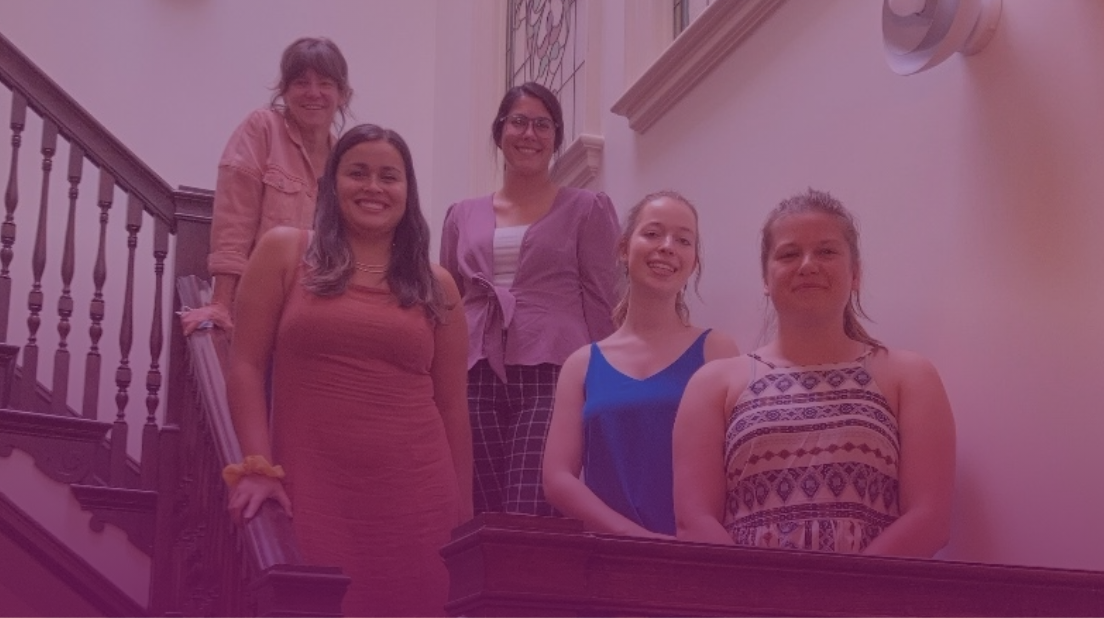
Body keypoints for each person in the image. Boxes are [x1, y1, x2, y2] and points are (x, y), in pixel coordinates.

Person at [224, 124, 472, 616]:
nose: (374, 187)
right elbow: (246, 365)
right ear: (332, 184)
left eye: (389, 176)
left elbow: (451, 405)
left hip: (419, 499)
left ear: (408, 191)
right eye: (357, 173)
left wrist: (463, 518)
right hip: (313, 491)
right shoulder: (285, 252)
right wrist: (255, 467)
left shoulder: (437, 284)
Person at [673, 188, 955, 557]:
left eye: (826, 251)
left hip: (872, 605)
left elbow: (929, 520)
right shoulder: (713, 385)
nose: (808, 264)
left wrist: (838, 598)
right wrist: (762, 598)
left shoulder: (910, 377)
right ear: (765, 278)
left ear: (855, 274)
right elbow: (694, 522)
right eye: (789, 254)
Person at [440, 82, 620, 517]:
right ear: (500, 131)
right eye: (518, 122)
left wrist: (606, 377)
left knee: (530, 507)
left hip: (551, 371)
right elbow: (447, 300)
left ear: (556, 138)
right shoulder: (461, 214)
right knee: (478, 510)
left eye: (543, 125)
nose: (529, 134)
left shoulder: (586, 208)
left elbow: (601, 296)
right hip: (475, 372)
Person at [543, 191, 740, 537]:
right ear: (623, 249)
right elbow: (557, 478)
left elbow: (736, 466)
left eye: (683, 240)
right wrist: (641, 541)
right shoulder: (581, 364)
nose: (667, 246)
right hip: (607, 563)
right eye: (652, 233)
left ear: (693, 262)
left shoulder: (717, 351)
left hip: (696, 562)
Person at [180, 37, 352, 335]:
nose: (313, 93)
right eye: (301, 82)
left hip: (314, 314)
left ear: (342, 94)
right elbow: (235, 219)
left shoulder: (345, 159)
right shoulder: (262, 128)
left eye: (325, 83)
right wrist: (221, 303)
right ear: (284, 90)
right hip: (256, 307)